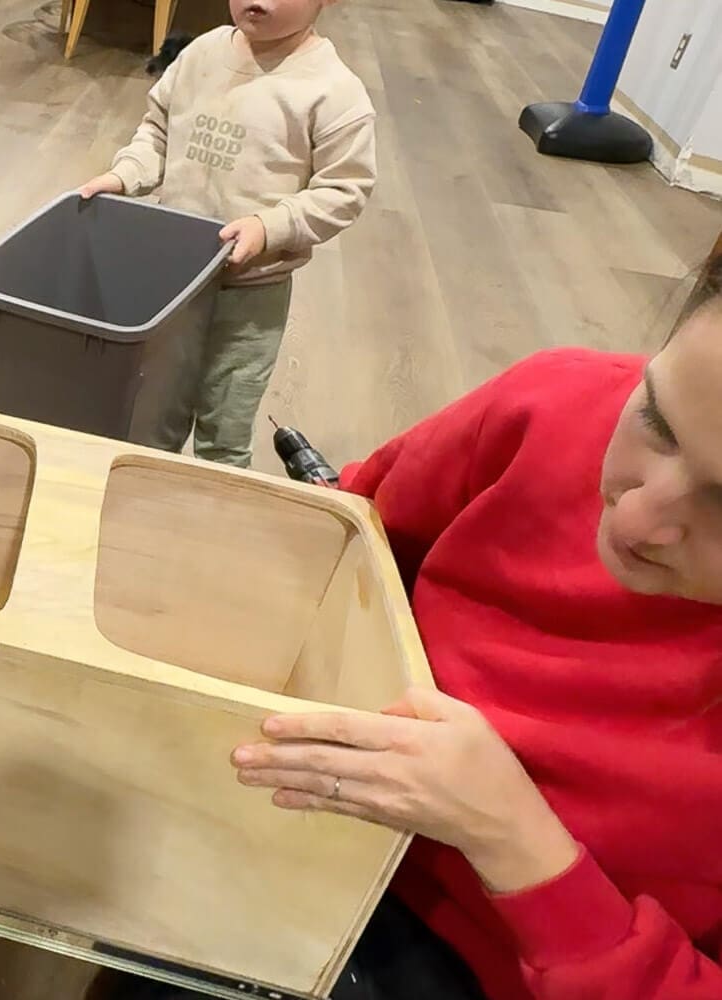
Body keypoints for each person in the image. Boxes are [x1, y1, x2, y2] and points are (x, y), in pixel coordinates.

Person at [89, 258, 722, 1000]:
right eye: (656, 421)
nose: (638, 516)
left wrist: (517, 842)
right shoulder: (550, 405)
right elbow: (346, 530)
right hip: (295, 833)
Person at [78, 0, 375, 468]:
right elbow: (157, 131)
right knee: (153, 416)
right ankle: (148, 496)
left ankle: (211, 508)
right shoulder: (200, 54)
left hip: (251, 297)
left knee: (225, 430)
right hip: (171, 285)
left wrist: (269, 225)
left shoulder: (335, 92)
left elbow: (345, 191)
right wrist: (126, 174)